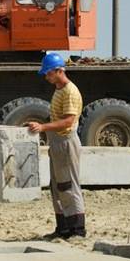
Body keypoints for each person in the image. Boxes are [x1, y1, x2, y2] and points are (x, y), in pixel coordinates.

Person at [27, 52, 86, 239]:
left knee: (68, 186)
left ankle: (77, 229)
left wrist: (43, 127)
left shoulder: (70, 91)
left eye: (49, 73)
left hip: (66, 142)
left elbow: (68, 121)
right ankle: (63, 228)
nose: (46, 77)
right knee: (57, 186)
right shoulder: (59, 90)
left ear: (59, 71)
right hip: (57, 143)